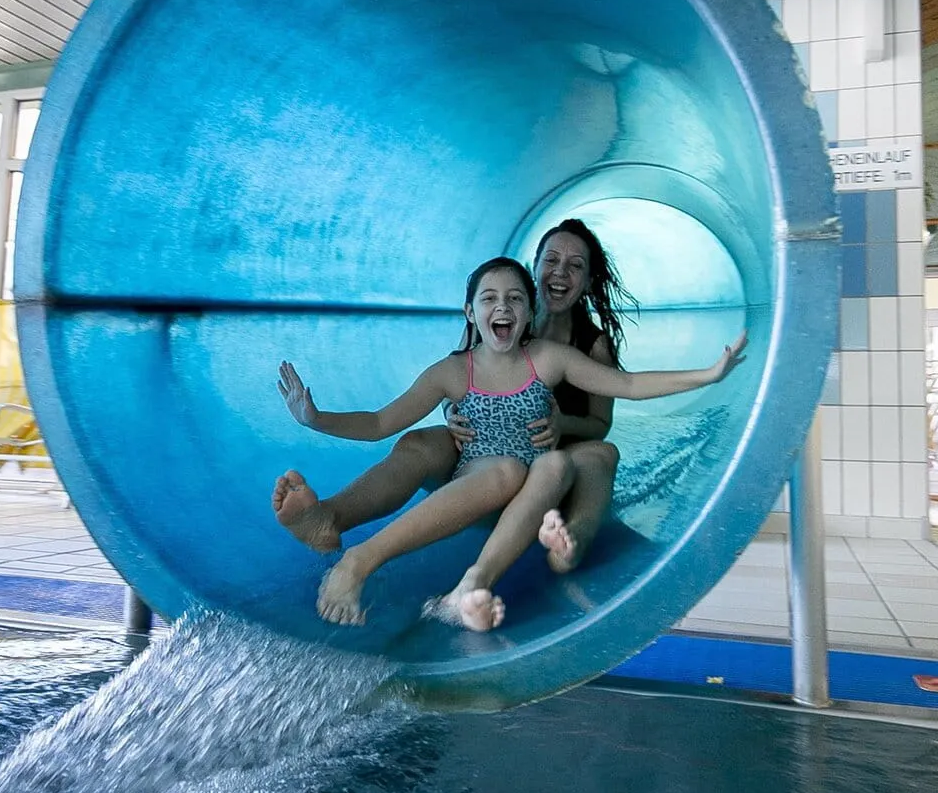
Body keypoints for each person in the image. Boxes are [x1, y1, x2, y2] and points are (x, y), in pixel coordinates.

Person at [277, 256, 743, 631]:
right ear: (470, 312)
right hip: (472, 489)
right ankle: (344, 539)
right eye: (490, 298)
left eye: (515, 298)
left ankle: (451, 582)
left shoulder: (549, 359)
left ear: (528, 313)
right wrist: (315, 419)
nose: (503, 306)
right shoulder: (454, 370)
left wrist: (707, 374)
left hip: (528, 502)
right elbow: (382, 421)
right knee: (456, 453)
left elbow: (630, 384)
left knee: (551, 467)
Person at [271, 219, 633, 573]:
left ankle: (571, 543)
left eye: (575, 266)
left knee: (601, 454)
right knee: (417, 443)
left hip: (550, 468)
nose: (560, 272)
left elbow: (600, 424)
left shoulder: (593, 345)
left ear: (587, 282)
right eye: (551, 260)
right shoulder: (499, 318)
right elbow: (453, 378)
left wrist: (559, 424)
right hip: (481, 462)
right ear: (534, 267)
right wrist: (451, 411)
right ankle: (327, 519)